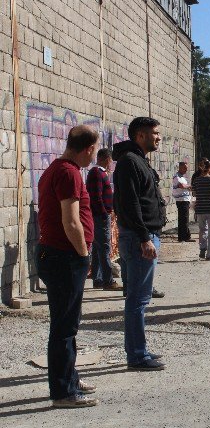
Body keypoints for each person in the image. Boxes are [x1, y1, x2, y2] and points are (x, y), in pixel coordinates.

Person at [36, 125, 100, 408]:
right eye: (94, 151)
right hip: (65, 258)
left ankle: (70, 378)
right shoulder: (69, 173)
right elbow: (71, 221)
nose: (94, 156)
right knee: (64, 327)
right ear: (88, 148)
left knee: (68, 324)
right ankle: (63, 393)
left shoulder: (55, 169)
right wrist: (84, 255)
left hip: (58, 256)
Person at [112, 116, 167, 371]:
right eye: (154, 133)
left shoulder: (138, 160)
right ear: (140, 135)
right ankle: (136, 355)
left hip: (143, 236)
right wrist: (145, 237)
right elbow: (130, 204)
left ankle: (139, 350)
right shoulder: (129, 162)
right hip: (138, 238)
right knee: (137, 300)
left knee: (140, 299)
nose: (158, 137)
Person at [86, 148, 122, 290]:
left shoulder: (100, 173)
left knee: (98, 248)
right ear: (106, 159)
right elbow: (96, 196)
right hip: (100, 216)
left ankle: (98, 278)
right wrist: (104, 212)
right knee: (104, 247)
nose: (111, 163)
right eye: (110, 160)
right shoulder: (97, 173)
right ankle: (108, 280)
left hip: (100, 215)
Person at [172, 161, 193, 242]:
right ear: (180, 167)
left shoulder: (182, 177)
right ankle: (183, 237)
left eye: (187, 168)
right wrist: (189, 186)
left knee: (184, 219)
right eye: (184, 168)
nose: (186, 169)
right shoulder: (176, 177)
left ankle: (185, 236)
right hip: (181, 200)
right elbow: (182, 186)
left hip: (185, 200)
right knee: (183, 219)